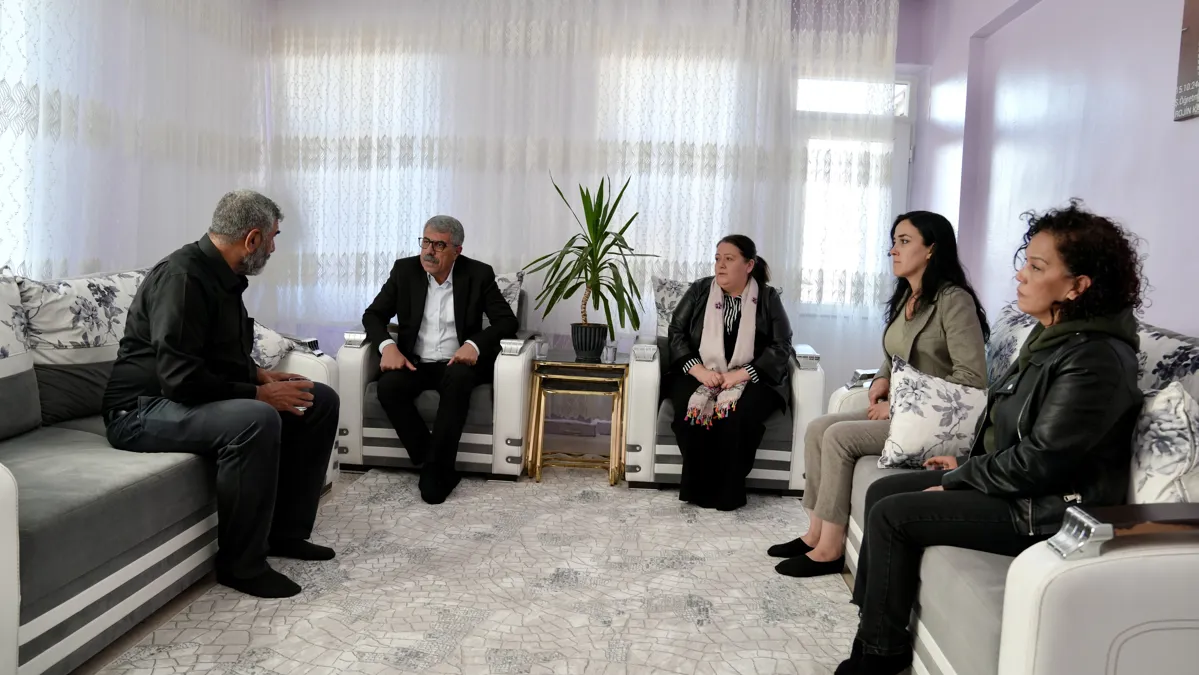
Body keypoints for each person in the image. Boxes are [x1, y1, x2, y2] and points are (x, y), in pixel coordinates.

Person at [834, 201, 1145, 675]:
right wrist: (964, 465)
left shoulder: (1095, 360)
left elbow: (1041, 463)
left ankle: (879, 655)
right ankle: (875, 623)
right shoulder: (1051, 338)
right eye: (1025, 262)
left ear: (1078, 286)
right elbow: (1010, 431)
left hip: (1051, 509)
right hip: (1020, 487)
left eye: (1036, 267)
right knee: (884, 491)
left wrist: (963, 478)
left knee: (895, 514)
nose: (1020, 275)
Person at [103, 190, 340, 599]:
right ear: (252, 239)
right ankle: (241, 566)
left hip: (180, 399)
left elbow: (219, 354)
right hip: (141, 411)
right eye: (273, 238)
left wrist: (261, 376)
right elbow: (180, 379)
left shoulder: (224, 277)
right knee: (256, 419)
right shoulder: (182, 279)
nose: (273, 248)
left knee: (318, 400)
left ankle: (285, 534)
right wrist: (258, 396)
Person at [769, 211, 989, 578]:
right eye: (893, 242)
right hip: (903, 412)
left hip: (933, 423)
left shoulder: (954, 301)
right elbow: (894, 355)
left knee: (839, 438)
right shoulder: (909, 296)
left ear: (932, 249)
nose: (893, 250)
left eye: (904, 241)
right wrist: (881, 381)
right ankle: (814, 533)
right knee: (819, 428)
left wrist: (899, 405)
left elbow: (972, 378)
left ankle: (830, 549)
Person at [363, 215, 518, 505]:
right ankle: (435, 462)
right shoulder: (404, 271)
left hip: (457, 363)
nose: (429, 251)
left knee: (458, 381)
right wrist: (387, 346)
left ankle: (434, 473)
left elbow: (507, 322)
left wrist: (474, 344)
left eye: (439, 245)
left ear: (457, 250)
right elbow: (372, 315)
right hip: (415, 362)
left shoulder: (478, 274)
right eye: (425, 242)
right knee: (389, 386)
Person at [666, 235, 793, 511]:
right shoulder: (700, 290)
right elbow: (676, 332)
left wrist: (741, 374)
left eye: (729, 259)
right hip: (700, 371)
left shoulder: (767, 297)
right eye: (717, 259)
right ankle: (698, 489)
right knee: (691, 411)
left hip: (754, 376)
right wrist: (698, 371)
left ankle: (728, 492)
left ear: (749, 265)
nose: (720, 265)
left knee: (736, 414)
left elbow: (781, 344)